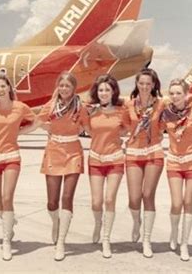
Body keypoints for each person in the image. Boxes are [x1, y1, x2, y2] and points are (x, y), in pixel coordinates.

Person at [0, 74, 35, 261]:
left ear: (9, 88)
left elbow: (36, 122)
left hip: (11, 156)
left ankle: (6, 240)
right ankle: (9, 221)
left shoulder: (20, 107)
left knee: (7, 197)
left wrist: (19, 132)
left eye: (3, 86)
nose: (0, 90)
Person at [36, 72, 89, 261]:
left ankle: (61, 242)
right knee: (52, 202)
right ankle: (56, 223)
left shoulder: (79, 107)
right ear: (57, 87)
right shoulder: (50, 106)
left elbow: (88, 127)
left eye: (68, 86)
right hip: (54, 150)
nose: (64, 89)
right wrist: (47, 128)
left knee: (67, 198)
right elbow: (38, 121)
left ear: (74, 89)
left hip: (73, 151)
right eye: (62, 85)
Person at [161, 78, 192, 261]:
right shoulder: (165, 114)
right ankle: (174, 233)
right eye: (171, 93)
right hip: (174, 162)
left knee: (188, 202)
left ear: (186, 94)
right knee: (176, 203)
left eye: (178, 93)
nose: (174, 96)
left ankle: (184, 244)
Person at [87, 74, 129, 258]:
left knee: (109, 200)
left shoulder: (122, 111)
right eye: (101, 90)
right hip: (95, 159)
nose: (103, 93)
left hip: (115, 160)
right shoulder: (90, 111)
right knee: (96, 202)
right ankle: (98, 222)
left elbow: (129, 127)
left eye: (107, 90)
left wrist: (117, 137)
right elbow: (86, 129)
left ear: (113, 92)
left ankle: (106, 239)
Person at [124, 68, 164, 258]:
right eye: (142, 83)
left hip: (154, 152)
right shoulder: (128, 104)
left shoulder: (161, 104)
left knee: (147, 195)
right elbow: (122, 126)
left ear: (154, 85)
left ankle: (146, 240)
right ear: (137, 84)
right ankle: (136, 222)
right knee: (133, 198)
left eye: (149, 84)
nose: (145, 87)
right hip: (133, 152)